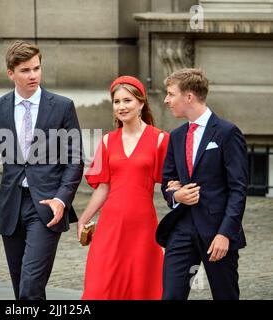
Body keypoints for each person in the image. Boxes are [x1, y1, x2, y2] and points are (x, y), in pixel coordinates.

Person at [0, 40, 84, 300]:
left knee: (30, 285)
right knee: (23, 290)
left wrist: (62, 199)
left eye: (36, 68)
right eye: (25, 71)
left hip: (48, 205)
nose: (33, 75)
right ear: (11, 74)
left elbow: (75, 159)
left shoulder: (62, 106)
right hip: (11, 205)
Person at [157, 68, 248, 300]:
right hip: (181, 229)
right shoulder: (176, 136)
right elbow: (167, 181)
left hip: (217, 232)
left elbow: (238, 189)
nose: (166, 100)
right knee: (171, 296)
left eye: (170, 94)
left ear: (189, 97)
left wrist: (225, 233)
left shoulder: (228, 133)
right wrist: (176, 196)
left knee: (225, 296)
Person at [79, 75, 169, 300]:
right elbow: (103, 188)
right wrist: (84, 218)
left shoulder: (160, 140)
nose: (122, 106)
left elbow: (172, 184)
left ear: (141, 103)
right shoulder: (108, 141)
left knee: (140, 288)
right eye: (117, 101)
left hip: (143, 226)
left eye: (127, 101)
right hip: (110, 225)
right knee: (98, 288)